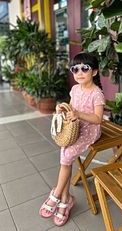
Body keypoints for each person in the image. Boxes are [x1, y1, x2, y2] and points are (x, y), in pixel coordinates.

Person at [39, 53, 105, 226]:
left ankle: (56, 194)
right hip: (75, 127)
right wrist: (63, 108)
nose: (79, 72)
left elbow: (98, 119)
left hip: (90, 130)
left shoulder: (97, 93)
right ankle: (66, 199)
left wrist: (78, 114)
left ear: (95, 72)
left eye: (85, 68)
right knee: (66, 154)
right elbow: (73, 106)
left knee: (66, 155)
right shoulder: (75, 89)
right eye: (75, 69)